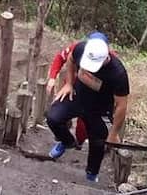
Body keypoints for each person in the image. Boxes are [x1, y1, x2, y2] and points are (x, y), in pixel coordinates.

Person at [46, 32, 130, 183]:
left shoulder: (118, 73)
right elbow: (70, 60)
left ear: (106, 58)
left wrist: (114, 132)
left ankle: (91, 174)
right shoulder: (80, 49)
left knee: (98, 142)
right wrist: (69, 83)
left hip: (100, 109)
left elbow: (121, 106)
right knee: (53, 117)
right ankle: (67, 142)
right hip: (77, 96)